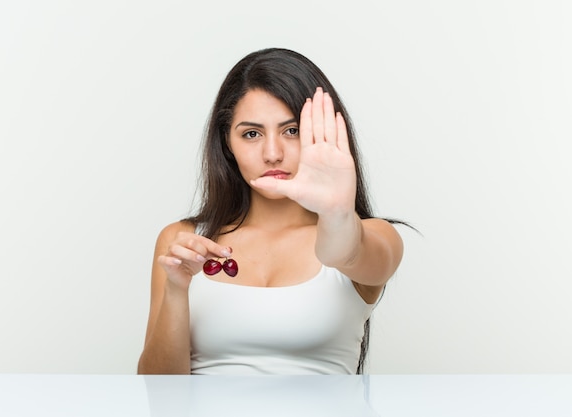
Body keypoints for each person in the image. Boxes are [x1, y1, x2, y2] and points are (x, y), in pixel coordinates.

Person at [137, 48, 404, 375]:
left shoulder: (374, 236)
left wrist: (336, 212)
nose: (273, 153)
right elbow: (159, 391)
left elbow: (346, 252)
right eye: (252, 134)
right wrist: (177, 288)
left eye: (291, 131)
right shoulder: (183, 241)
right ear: (227, 144)